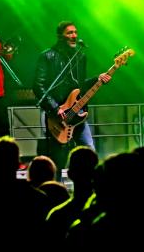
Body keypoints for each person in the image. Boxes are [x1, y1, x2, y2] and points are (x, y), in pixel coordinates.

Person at [33, 21, 111, 170]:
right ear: (60, 36)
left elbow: (79, 86)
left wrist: (97, 79)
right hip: (57, 116)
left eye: (75, 32)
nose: (74, 36)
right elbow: (38, 86)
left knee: (89, 151)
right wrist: (55, 108)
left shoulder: (80, 57)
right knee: (57, 160)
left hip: (77, 113)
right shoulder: (47, 56)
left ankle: (90, 182)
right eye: (69, 33)